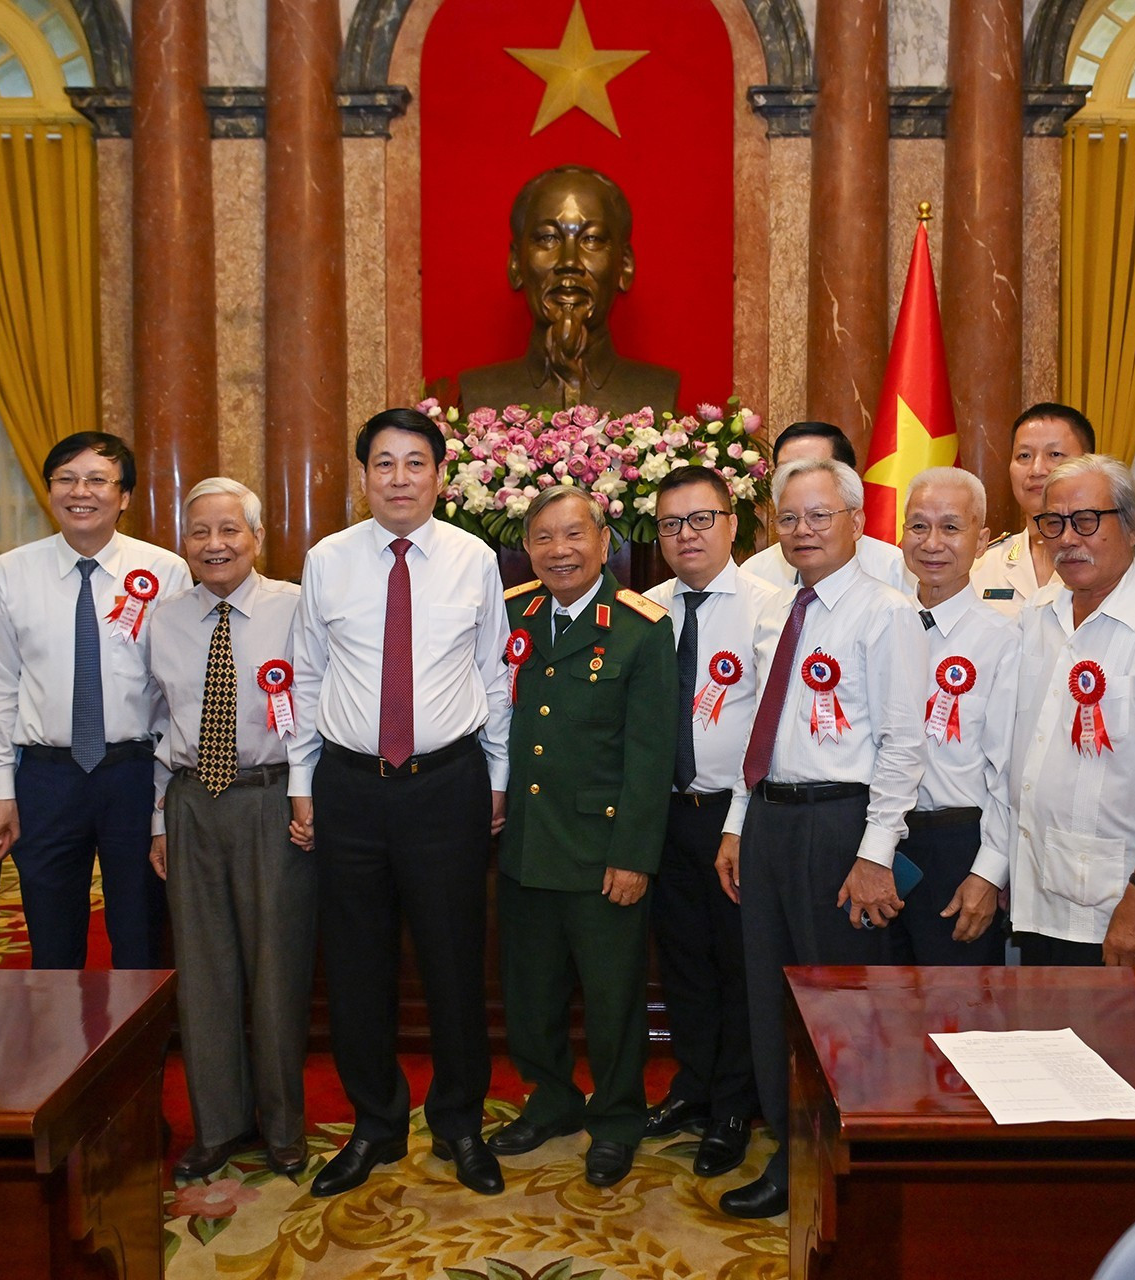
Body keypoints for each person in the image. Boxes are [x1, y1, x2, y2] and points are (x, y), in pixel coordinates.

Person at [290, 408, 511, 1199]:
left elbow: (494, 674)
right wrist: (301, 781)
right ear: (364, 477)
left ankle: (459, 1123)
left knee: (454, 962)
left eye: (415, 462)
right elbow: (306, 673)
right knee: (356, 966)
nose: (399, 478)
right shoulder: (327, 560)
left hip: (447, 785)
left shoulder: (474, 558)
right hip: (350, 787)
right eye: (383, 463)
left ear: (441, 476)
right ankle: (375, 1125)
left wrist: (498, 775)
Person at [715, 456, 928, 1219]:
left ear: (856, 522)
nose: (802, 530)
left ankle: (846, 1155)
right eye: (790, 518)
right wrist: (737, 824)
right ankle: (790, 1149)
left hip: (840, 824)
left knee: (840, 1004)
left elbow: (903, 744)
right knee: (771, 996)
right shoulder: (775, 610)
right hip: (769, 820)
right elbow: (758, 728)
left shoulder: (887, 613)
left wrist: (874, 856)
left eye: (819, 515)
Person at [488, 485, 676, 1189]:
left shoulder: (639, 628)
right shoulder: (512, 614)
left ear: (604, 542)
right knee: (530, 993)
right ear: (526, 549)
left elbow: (650, 755)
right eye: (543, 538)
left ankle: (618, 1118)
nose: (559, 550)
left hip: (602, 853)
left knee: (612, 999)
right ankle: (552, 1099)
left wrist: (633, 856)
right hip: (526, 842)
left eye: (574, 535)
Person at [147, 478, 314, 1181]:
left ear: (257, 538)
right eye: (200, 532)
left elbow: (320, 705)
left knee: (277, 969)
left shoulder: (298, 607)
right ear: (183, 543)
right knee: (203, 971)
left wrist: (308, 796)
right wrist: (160, 818)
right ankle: (217, 1126)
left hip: (271, 800)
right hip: (191, 802)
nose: (214, 544)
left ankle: (282, 1128)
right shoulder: (162, 619)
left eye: (229, 530)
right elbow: (158, 724)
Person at [0, 431, 187, 969]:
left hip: (133, 773)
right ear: (49, 490)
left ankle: (141, 1028)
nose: (80, 491)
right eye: (66, 478)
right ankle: (59, 1028)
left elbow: (176, 691)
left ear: (125, 495)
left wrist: (165, 793)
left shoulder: (166, 571)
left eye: (98, 479)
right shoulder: (7, 573)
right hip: (47, 777)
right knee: (51, 937)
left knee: (141, 932)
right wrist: (0, 788)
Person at [1008, 455, 1135, 967]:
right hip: (1033, 896)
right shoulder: (1037, 616)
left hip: (1115, 909)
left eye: (1086, 521)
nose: (1067, 539)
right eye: (1053, 523)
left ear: (1132, 523)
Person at [639, 465, 784, 1178]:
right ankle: (693, 1086)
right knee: (683, 961)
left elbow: (771, 729)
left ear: (733, 524)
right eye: (671, 524)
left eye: (701, 520)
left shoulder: (769, 606)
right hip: (664, 815)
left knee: (737, 965)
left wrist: (738, 822)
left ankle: (733, 1103)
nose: (686, 535)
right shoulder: (646, 610)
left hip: (736, 818)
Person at [896, 466, 1018, 964]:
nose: (932, 543)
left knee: (956, 1001)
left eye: (950, 527)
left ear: (981, 540)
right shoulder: (881, 624)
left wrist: (988, 872)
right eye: (918, 526)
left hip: (955, 845)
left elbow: (1009, 773)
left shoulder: (1003, 639)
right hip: (874, 839)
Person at [457, 165, 680, 415]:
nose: (569, 262)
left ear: (624, 266)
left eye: (592, 239)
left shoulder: (658, 392)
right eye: (548, 238)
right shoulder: (479, 394)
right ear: (516, 264)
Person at [740, 423, 913, 593]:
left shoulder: (895, 570)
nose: (801, 480)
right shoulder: (755, 574)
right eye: (787, 471)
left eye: (814, 468)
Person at [971, 403, 1095, 615]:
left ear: (1090, 464)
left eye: (1054, 454)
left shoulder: (1117, 565)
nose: (1036, 470)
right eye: (1024, 456)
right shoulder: (981, 565)